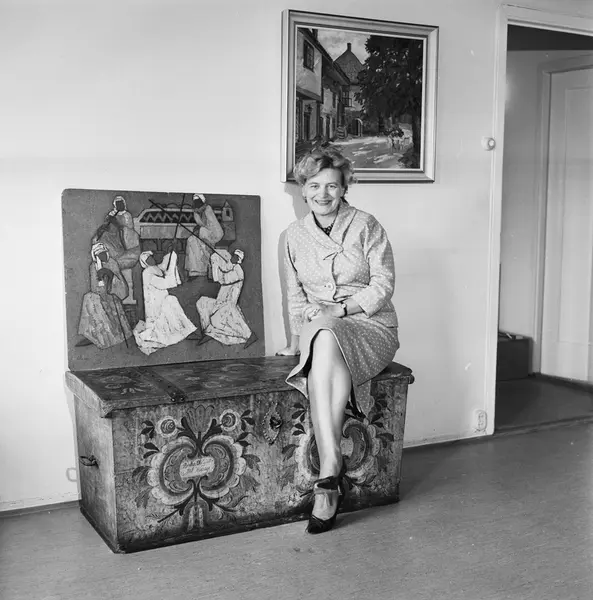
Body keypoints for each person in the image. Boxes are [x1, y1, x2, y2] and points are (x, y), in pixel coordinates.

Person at [277, 147, 399, 534]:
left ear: (345, 188)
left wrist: (340, 310)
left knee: (327, 332)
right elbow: (296, 298)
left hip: (371, 326)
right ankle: (330, 469)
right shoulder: (293, 236)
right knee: (324, 335)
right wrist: (297, 340)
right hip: (320, 329)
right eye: (314, 186)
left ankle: (328, 473)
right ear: (303, 189)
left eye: (332, 185)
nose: (323, 194)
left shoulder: (366, 225)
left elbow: (383, 284)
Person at [133, 250, 197, 355]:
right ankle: (180, 330)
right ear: (145, 263)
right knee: (170, 303)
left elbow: (164, 265)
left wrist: (171, 254)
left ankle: (182, 329)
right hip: (155, 305)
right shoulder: (148, 272)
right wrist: (172, 260)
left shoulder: (156, 268)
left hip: (161, 299)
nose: (151, 260)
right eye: (148, 259)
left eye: (151, 257)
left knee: (171, 301)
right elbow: (165, 283)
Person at [196, 248, 257, 347]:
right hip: (222, 298)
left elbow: (224, 279)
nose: (233, 258)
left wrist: (222, 264)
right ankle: (209, 332)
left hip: (229, 302)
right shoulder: (229, 266)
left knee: (220, 316)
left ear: (239, 259)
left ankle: (249, 335)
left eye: (236, 257)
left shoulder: (238, 271)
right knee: (202, 303)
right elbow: (223, 271)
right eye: (233, 256)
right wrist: (223, 263)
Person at [77, 242, 133, 348]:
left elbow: (121, 288)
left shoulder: (112, 263)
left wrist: (110, 276)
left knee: (93, 299)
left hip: (113, 294)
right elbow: (94, 287)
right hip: (100, 294)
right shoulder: (94, 266)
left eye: (103, 253)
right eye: (99, 254)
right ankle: (95, 334)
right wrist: (100, 281)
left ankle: (110, 335)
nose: (101, 256)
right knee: (89, 298)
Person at [184, 193, 224, 279]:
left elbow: (212, 226)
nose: (196, 203)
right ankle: (194, 271)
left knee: (201, 237)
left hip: (214, 234)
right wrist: (197, 231)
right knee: (191, 240)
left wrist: (200, 231)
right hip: (203, 233)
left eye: (198, 201)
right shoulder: (196, 212)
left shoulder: (208, 209)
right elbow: (199, 225)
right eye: (195, 201)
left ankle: (204, 269)